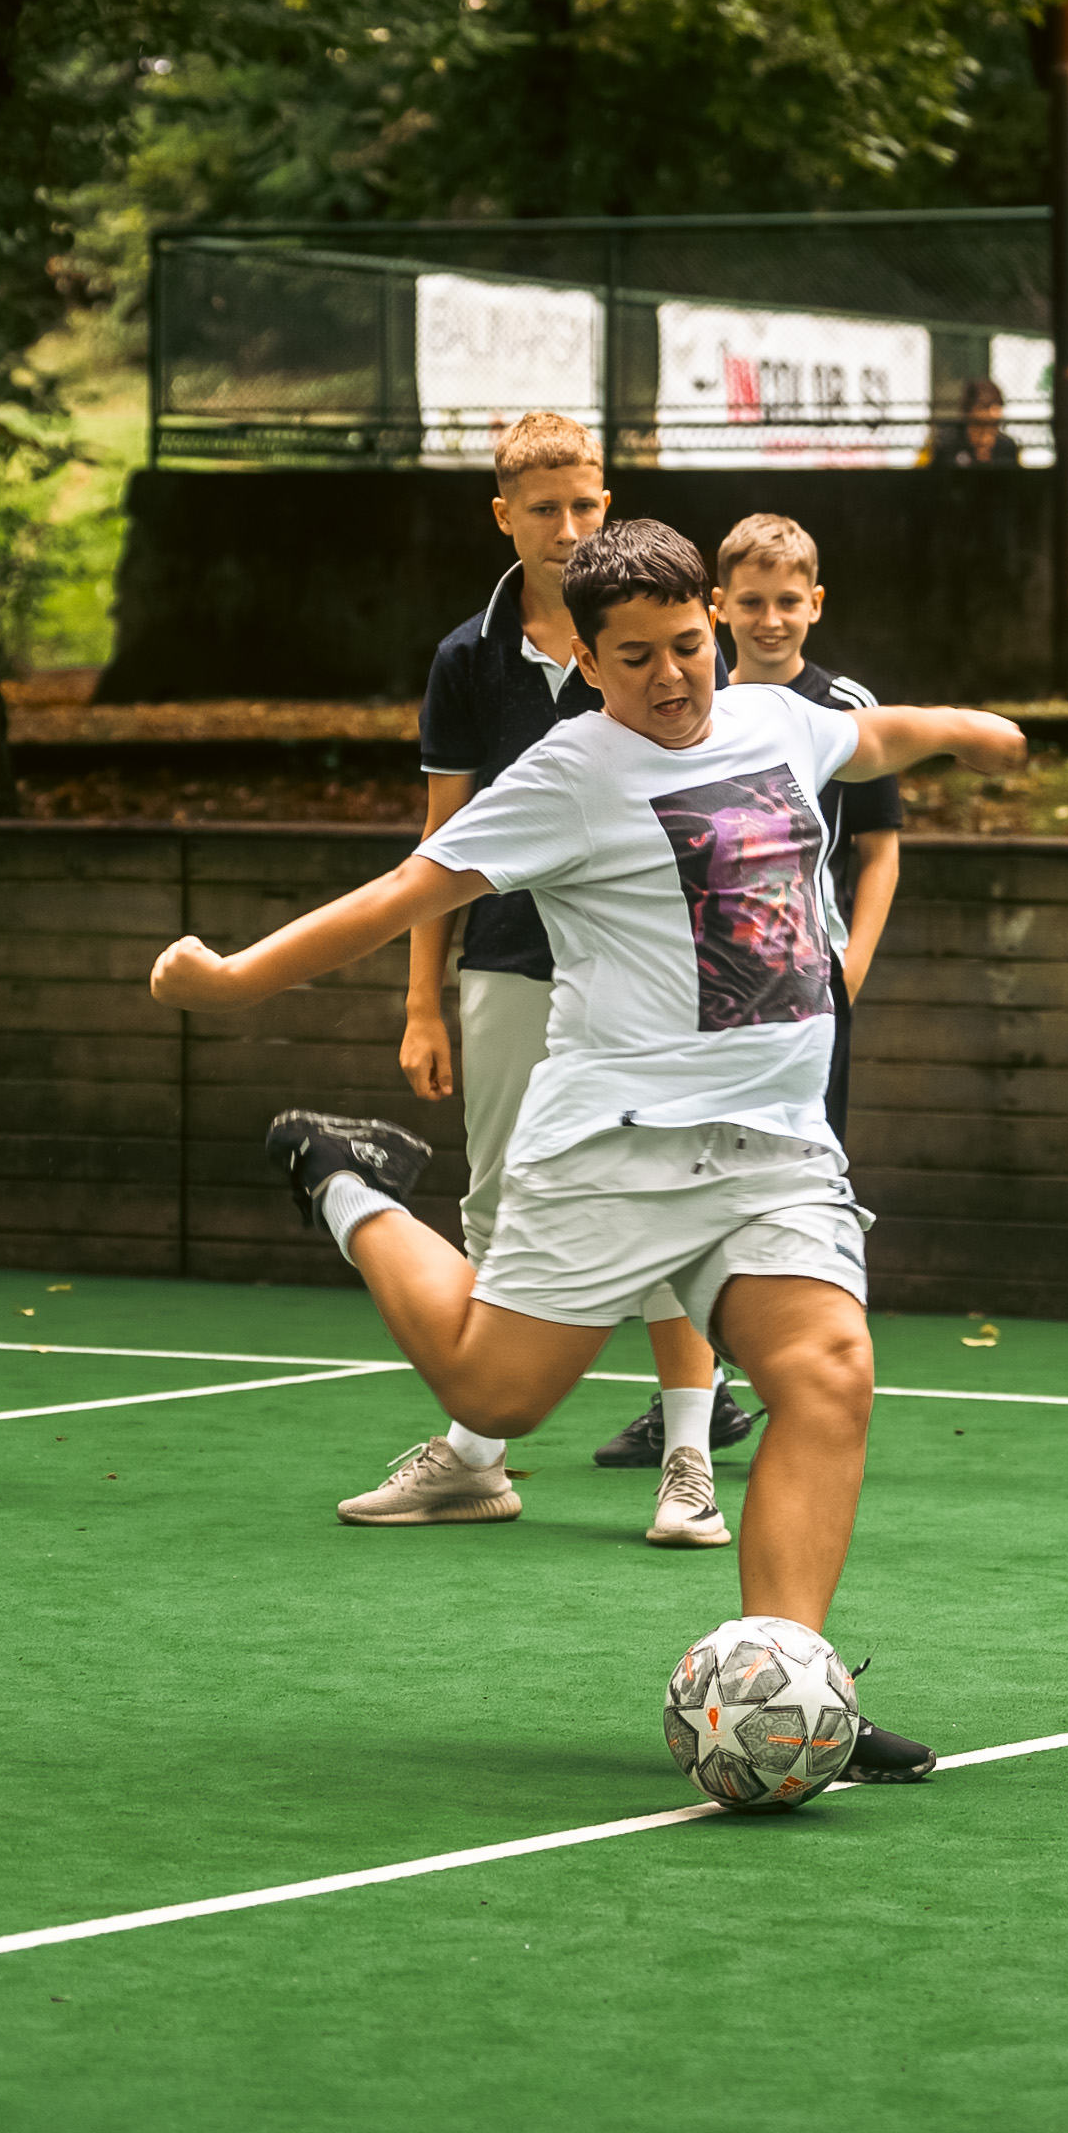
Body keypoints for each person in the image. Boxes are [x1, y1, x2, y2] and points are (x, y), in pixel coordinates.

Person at [148, 520, 1026, 1781]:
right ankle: (345, 1180)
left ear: (715, 625)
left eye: (688, 645)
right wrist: (235, 980)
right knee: (493, 1396)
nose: (672, 677)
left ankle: (786, 1686)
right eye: (637, 658)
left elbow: (869, 741)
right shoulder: (566, 775)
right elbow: (403, 893)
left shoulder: (776, 721)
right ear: (590, 660)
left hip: (774, 1144)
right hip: (615, 1145)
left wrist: (964, 727)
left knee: (828, 1376)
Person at [340, 410, 748, 1550]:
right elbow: (438, 842)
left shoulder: (652, 629)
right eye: (544, 509)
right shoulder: (469, 657)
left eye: (586, 503)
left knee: (669, 1197)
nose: (569, 528)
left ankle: (686, 1463)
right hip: (510, 962)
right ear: (502, 516)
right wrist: (423, 1001)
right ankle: (476, 1455)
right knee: (498, 1202)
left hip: (647, 968)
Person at [710, 512, 901, 1141]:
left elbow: (878, 852)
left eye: (788, 602)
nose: (770, 620)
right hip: (716, 980)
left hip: (816, 979)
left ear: (814, 604)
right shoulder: (694, 707)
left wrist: (852, 967)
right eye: (751, 602)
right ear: (719, 607)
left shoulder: (847, 709)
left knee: (813, 1154)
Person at [930, 377, 1020, 470]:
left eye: (993, 425)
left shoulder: (1007, 448)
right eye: (980, 425)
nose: (986, 436)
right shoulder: (948, 446)